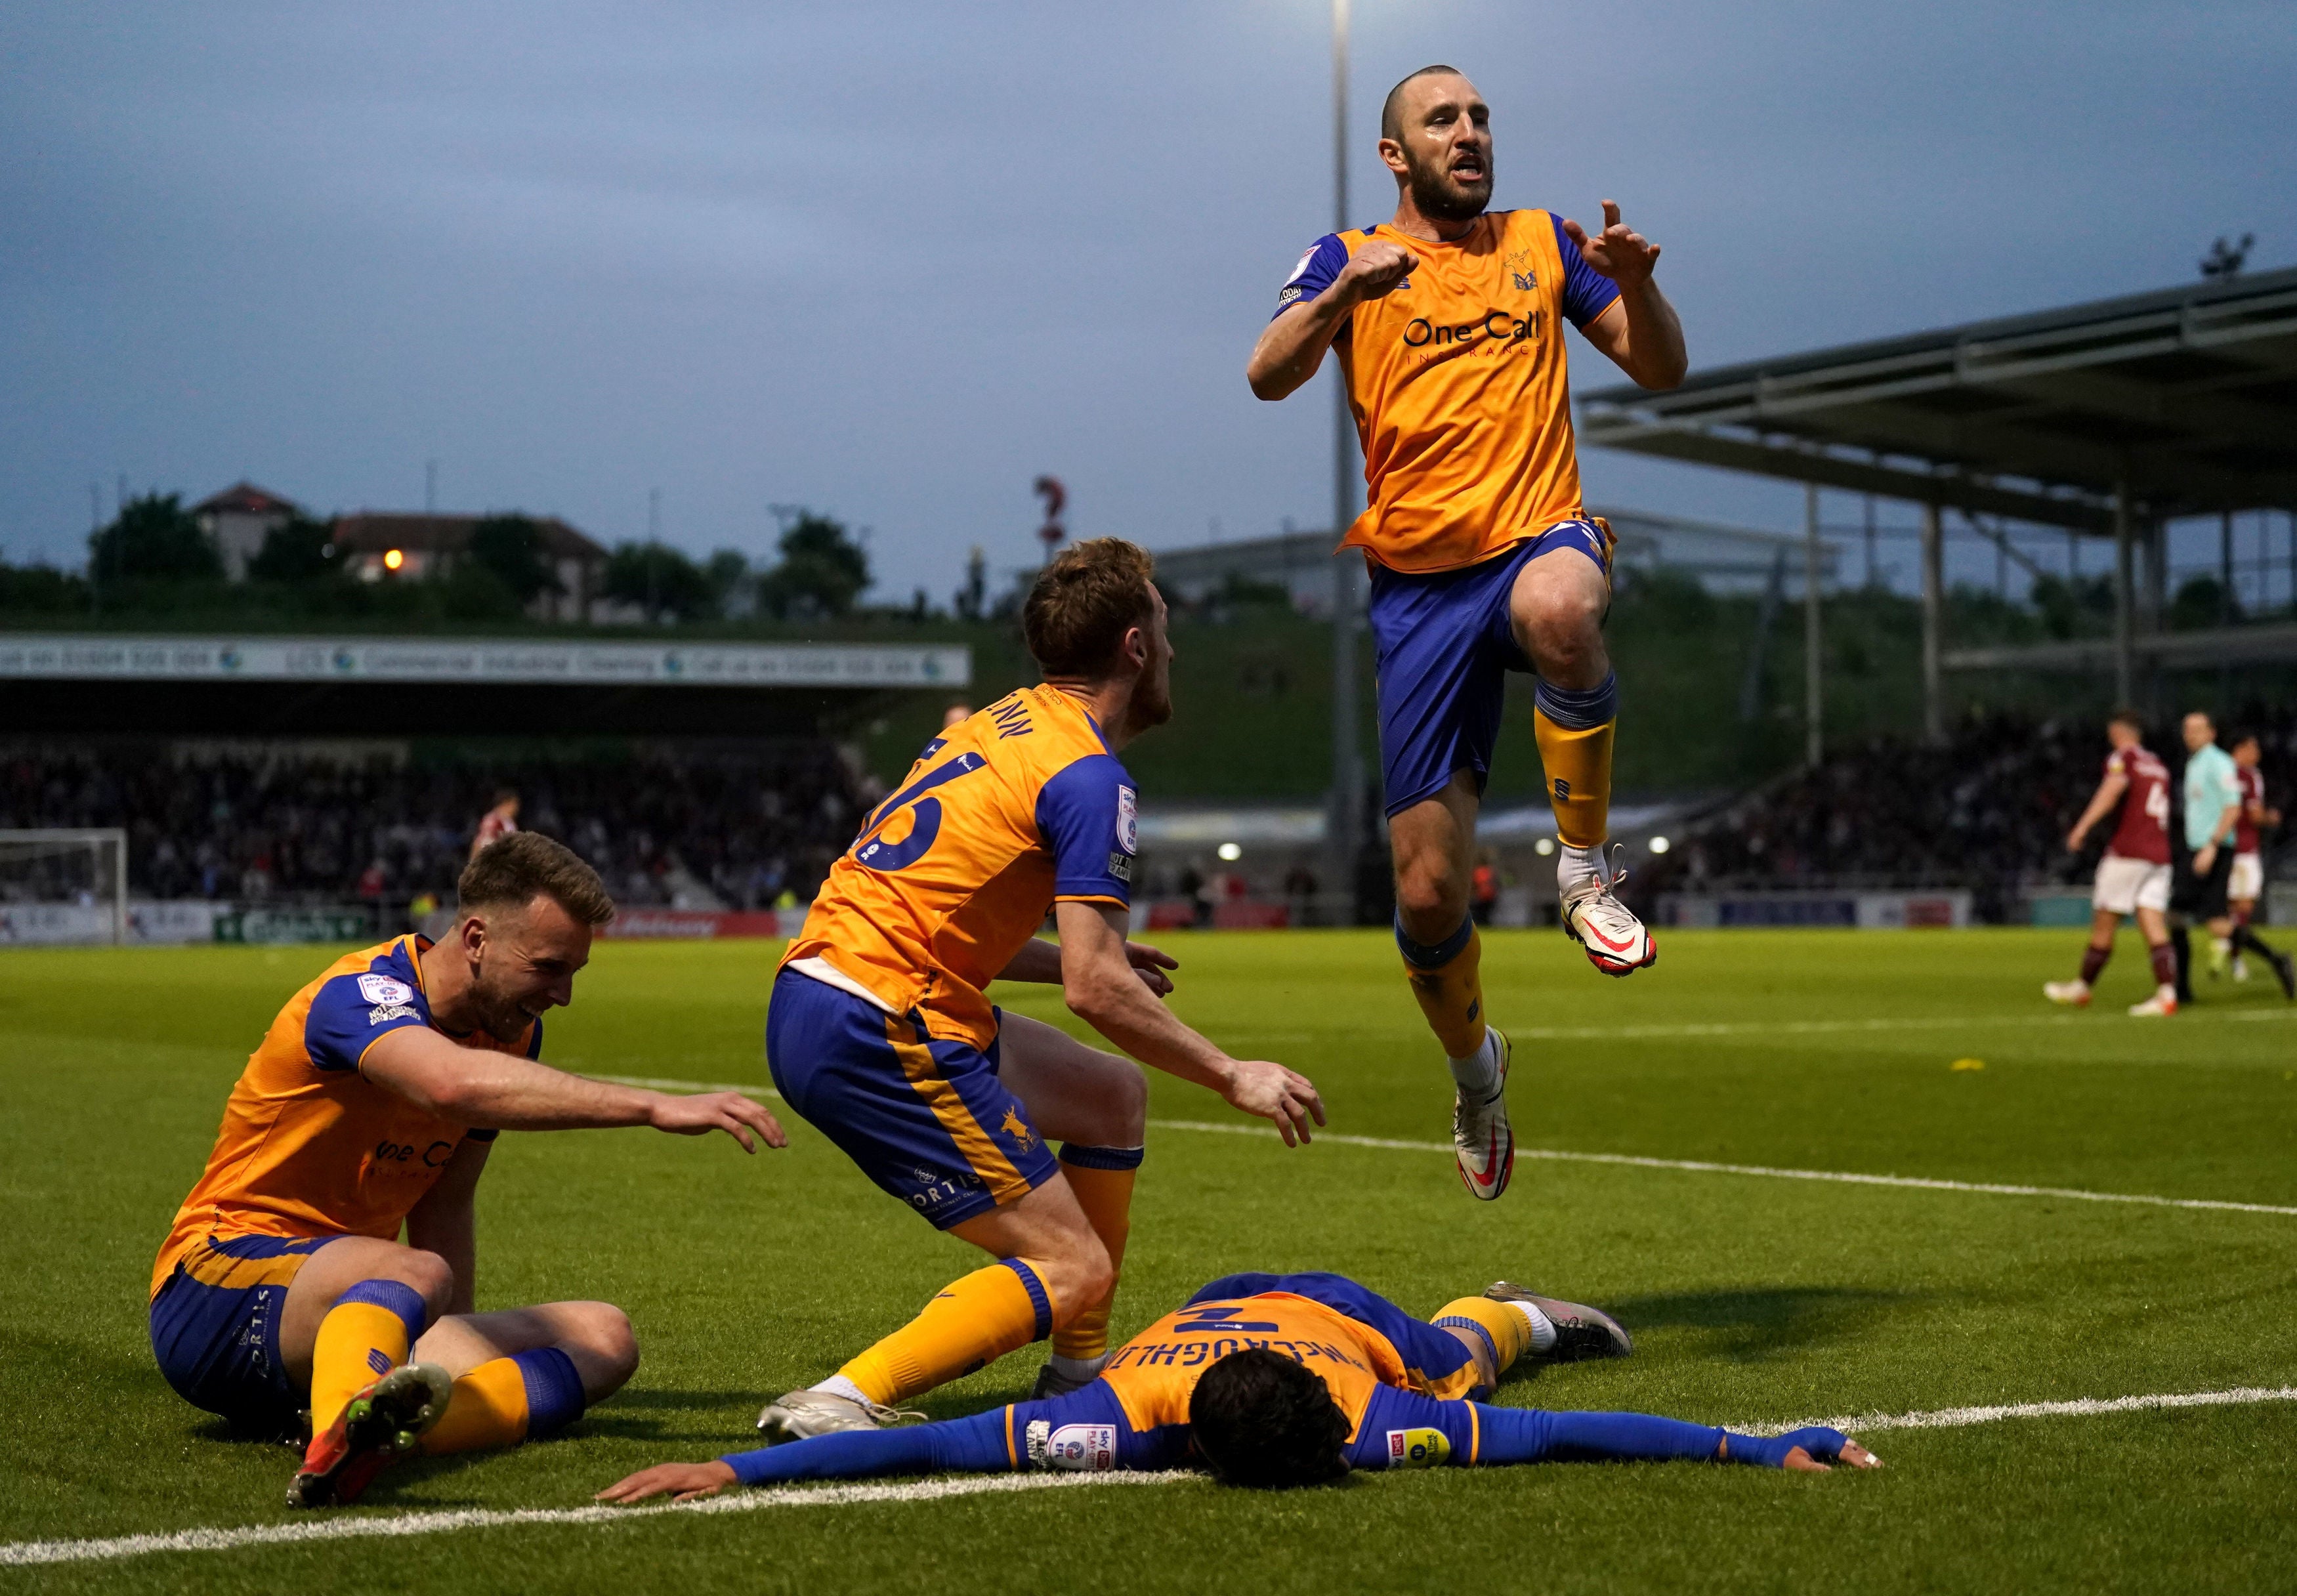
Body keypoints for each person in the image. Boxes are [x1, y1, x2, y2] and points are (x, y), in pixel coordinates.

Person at [755, 538, 1325, 1443]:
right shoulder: (1091, 775)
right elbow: (1095, 991)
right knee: (1073, 1268)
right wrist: (1230, 1074)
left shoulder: (1000, 722)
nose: (1174, 651)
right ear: (1135, 647)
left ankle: (1079, 1375)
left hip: (836, 988)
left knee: (1110, 1097)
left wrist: (1083, 955)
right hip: (881, 1020)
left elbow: (950, 910)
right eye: (1167, 630)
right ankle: (839, 1401)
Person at [1244, 65, 1686, 1202]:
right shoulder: (1344, 254)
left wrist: (1640, 286)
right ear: (1396, 155)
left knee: (1561, 609)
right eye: (1443, 120)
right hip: (1420, 592)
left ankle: (1587, 874)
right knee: (1431, 896)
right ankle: (1477, 1071)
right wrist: (1346, 294)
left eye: (1481, 117)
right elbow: (1266, 375)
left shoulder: (1542, 241)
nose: (1470, 132)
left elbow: (1660, 365)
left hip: (1539, 539)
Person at [148, 831, 785, 1508]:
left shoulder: (510, 1030)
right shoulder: (358, 994)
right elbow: (450, 1085)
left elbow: (445, 1203)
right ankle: (338, 1436)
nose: (563, 993)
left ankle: (382, 1429)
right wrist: (651, 1105)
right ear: (476, 936)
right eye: (548, 965)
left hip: (344, 1311)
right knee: (411, 1271)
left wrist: (441, 1349)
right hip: (216, 1285)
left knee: (605, 1337)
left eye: (573, 970)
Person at [597, 1272, 1876, 1502]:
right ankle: (1510, 1313)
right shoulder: (1114, 1419)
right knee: (1471, 1390)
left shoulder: (1375, 1407)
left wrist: (1751, 1448)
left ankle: (1521, 1304)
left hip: (1330, 1308)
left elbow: (1558, 1423)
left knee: (1454, 1356)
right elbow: (913, 1452)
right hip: (1214, 1311)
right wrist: (728, 1468)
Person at [2046, 711, 2180, 1016]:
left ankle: (2082, 988)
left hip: (2128, 853)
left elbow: (2111, 791)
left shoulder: (2124, 758)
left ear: (2118, 731)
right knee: (2154, 924)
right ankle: (2166, 994)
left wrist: (2082, 827)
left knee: (2104, 924)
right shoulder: (2158, 765)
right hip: (2159, 854)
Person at [2171, 712, 2244, 999]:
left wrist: (2213, 845)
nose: (2190, 735)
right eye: (2187, 729)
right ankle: (2182, 988)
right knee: (2176, 916)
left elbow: (2233, 807)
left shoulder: (2219, 763)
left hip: (2214, 848)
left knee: (2215, 923)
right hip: (2196, 848)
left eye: (2197, 730)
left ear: (2211, 733)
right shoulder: (2195, 763)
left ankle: (2277, 959)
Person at [2225, 732, 2294, 994]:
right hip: (2244, 849)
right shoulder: (2250, 776)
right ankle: (2231, 956)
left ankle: (2231, 954)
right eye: (2253, 748)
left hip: (2224, 847)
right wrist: (2271, 818)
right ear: (2240, 748)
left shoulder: (2222, 771)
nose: (2257, 754)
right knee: (2244, 905)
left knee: (2233, 906)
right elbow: (2255, 816)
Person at [470, 789, 520, 862]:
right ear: (507, 803)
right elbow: (481, 843)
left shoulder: (507, 821)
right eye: (515, 804)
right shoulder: (494, 820)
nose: (517, 808)